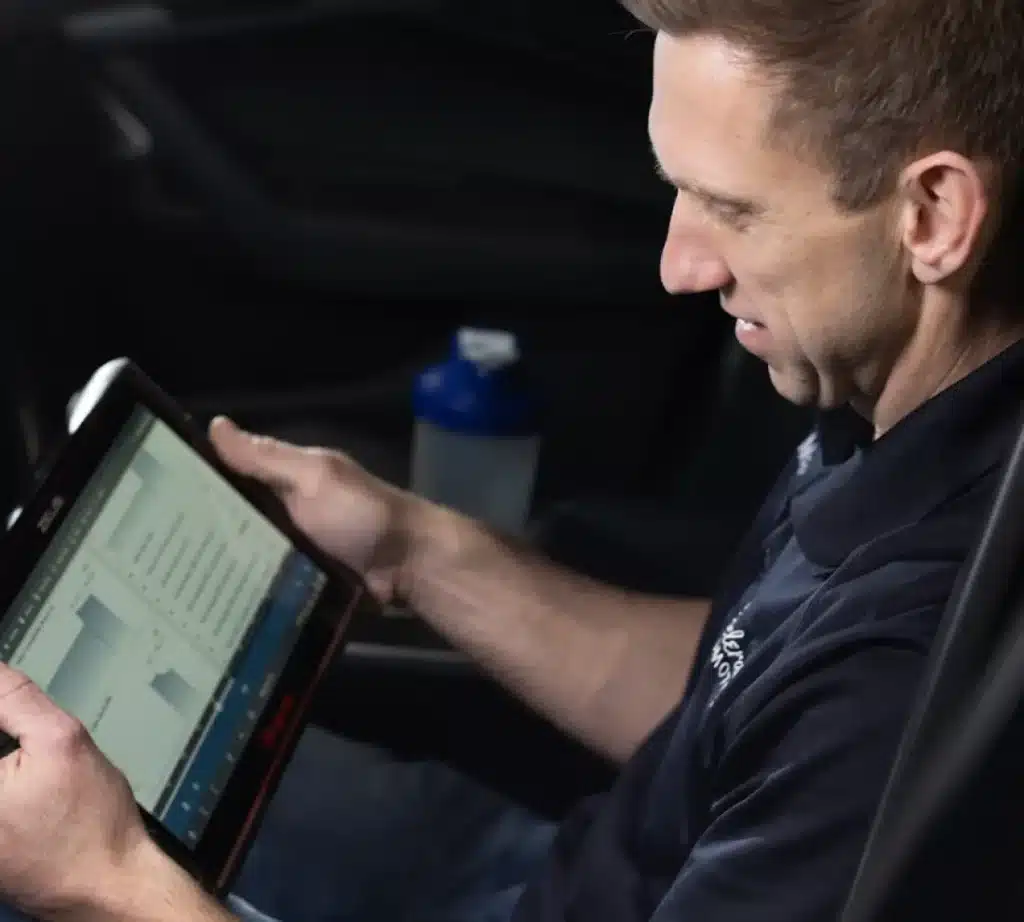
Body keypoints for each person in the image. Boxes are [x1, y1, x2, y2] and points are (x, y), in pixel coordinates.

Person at [2, 0, 1024, 920]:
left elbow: (824, 726)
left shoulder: (905, 667)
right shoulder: (907, 413)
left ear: (930, 217)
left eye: (733, 209)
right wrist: (412, 548)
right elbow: (738, 703)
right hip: (568, 866)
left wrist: (106, 881)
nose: (681, 266)